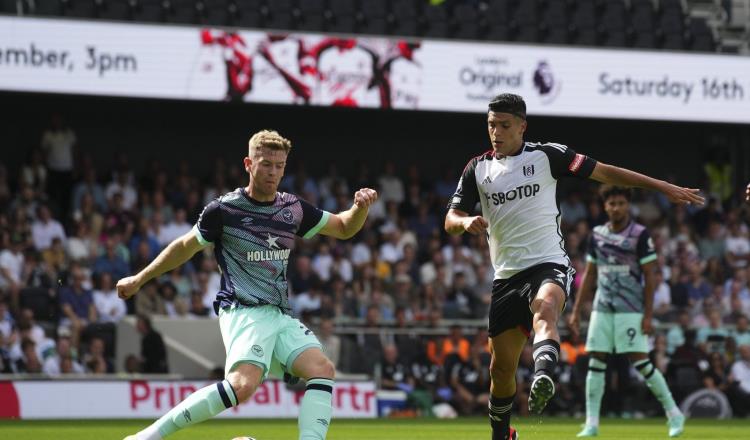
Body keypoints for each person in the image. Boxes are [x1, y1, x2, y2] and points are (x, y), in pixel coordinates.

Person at [444, 93, 703, 440]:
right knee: (501, 370)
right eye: (491, 125)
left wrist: (661, 186)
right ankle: (502, 434)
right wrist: (464, 223)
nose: (496, 132)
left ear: (522, 126)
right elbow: (450, 217)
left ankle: (543, 373)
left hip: (548, 262)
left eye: (504, 125)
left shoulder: (548, 156)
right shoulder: (477, 168)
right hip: (506, 276)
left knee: (545, 309)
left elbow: (606, 171)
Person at [118, 130, 377, 440]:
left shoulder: (292, 208)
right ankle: (148, 436)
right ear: (248, 164)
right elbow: (185, 246)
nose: (273, 172)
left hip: (279, 314)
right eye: (266, 164)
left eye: (279, 165)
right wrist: (140, 278)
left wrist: (360, 207)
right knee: (242, 386)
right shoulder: (224, 210)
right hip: (243, 309)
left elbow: (345, 227)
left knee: (322, 369)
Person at [568, 185, 684, 437]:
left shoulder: (640, 234)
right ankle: (591, 423)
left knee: (641, 362)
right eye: (612, 204)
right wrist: (576, 311)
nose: (616, 208)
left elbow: (650, 276)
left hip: (630, 308)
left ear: (627, 205)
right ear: (605, 206)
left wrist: (649, 314)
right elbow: (590, 274)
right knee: (596, 361)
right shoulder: (596, 234)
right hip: (602, 306)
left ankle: (674, 413)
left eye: (620, 203)